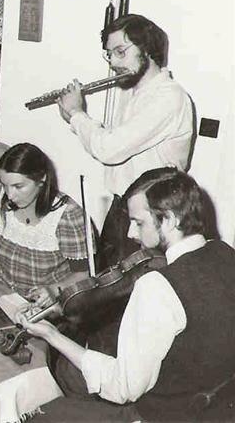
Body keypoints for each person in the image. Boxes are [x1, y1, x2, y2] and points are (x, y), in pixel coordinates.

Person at [20, 167, 235, 422]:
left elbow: (121, 389)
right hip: (215, 410)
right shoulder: (223, 252)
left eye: (138, 222)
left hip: (161, 416)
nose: (131, 234)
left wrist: (52, 335)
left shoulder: (156, 286)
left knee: (38, 415)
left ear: (169, 219)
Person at [56, 14, 194, 270]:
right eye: (109, 54)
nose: (113, 63)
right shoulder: (137, 93)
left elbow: (109, 150)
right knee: (108, 291)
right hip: (124, 207)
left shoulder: (169, 97)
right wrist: (77, 119)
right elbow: (115, 146)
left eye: (121, 52)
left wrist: (77, 115)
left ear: (148, 48)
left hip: (154, 215)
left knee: (134, 295)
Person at [0, 143, 93, 308]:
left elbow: (85, 274)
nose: (9, 195)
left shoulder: (68, 215)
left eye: (18, 186)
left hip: (48, 306)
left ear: (42, 179)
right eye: (4, 185)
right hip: (4, 293)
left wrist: (53, 290)